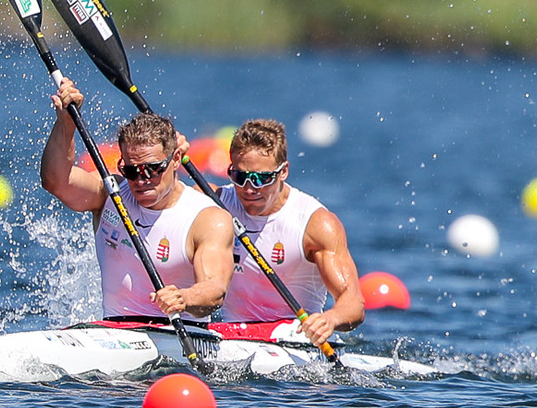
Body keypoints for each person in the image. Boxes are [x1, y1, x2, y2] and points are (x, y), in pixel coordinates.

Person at [40, 78, 234, 321]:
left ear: (175, 160)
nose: (141, 180)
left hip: (181, 337)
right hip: (113, 331)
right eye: (132, 170)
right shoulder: (110, 194)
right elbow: (56, 181)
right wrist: (66, 124)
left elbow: (215, 290)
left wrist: (185, 298)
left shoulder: (207, 218)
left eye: (152, 169)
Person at [216, 119, 365, 347]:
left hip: (292, 340)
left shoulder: (315, 223)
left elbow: (353, 302)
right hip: (229, 334)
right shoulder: (215, 203)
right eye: (239, 177)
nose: (248, 188)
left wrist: (330, 319)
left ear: (283, 171)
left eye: (261, 178)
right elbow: (164, 194)